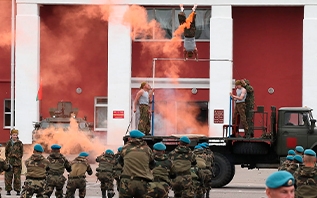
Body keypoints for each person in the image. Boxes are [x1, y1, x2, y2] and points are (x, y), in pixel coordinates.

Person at [118, 129, 155, 198]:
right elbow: (152, 164)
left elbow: (120, 162)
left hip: (127, 182)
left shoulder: (125, 148)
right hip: (142, 183)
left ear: (130, 138)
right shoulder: (147, 149)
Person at [5, 128, 23, 196]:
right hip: (9, 162)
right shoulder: (8, 143)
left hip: (17, 163)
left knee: (17, 177)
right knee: (8, 177)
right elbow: (6, 152)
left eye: (16, 135)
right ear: (11, 135)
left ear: (17, 135)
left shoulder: (20, 143)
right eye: (13, 135)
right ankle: (8, 190)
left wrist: (16, 156)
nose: (14, 136)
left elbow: (21, 153)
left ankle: (18, 190)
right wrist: (8, 159)